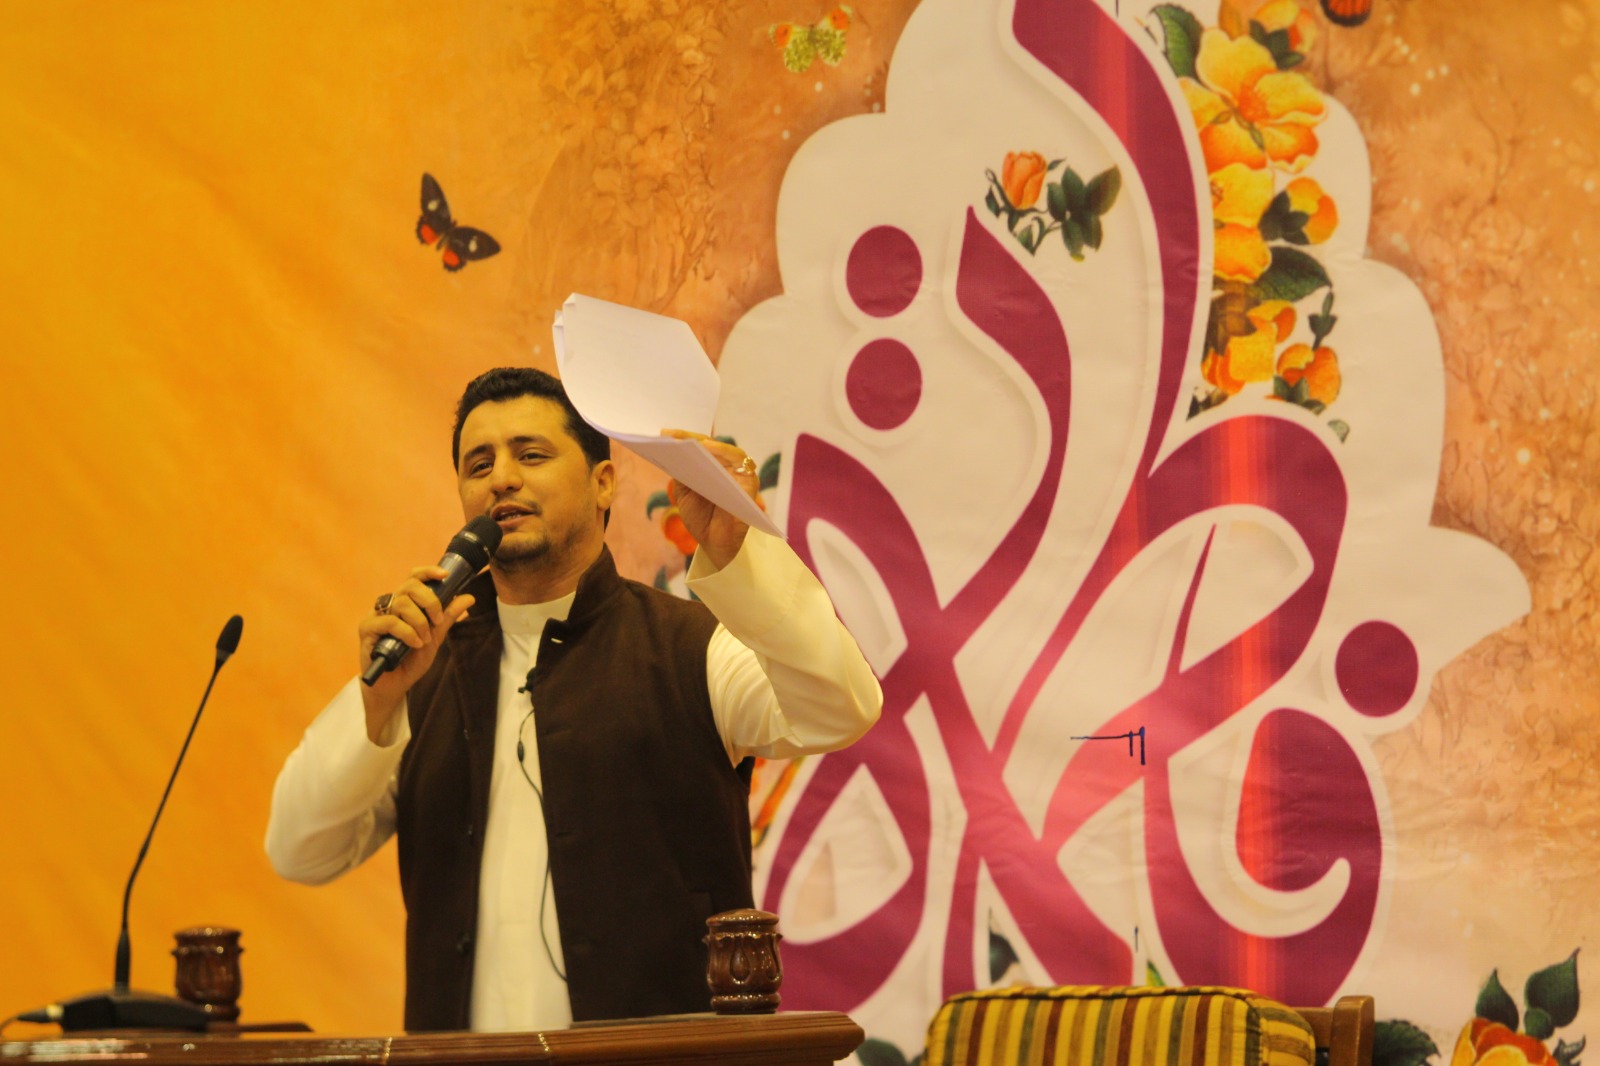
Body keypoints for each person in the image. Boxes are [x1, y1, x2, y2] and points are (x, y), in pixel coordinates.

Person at [265, 367, 880, 1033]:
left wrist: (741, 557)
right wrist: (378, 704)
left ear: (603, 483)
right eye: (479, 465)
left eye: (531, 455)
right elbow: (299, 850)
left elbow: (840, 708)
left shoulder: (687, 647)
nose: (501, 478)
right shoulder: (422, 668)